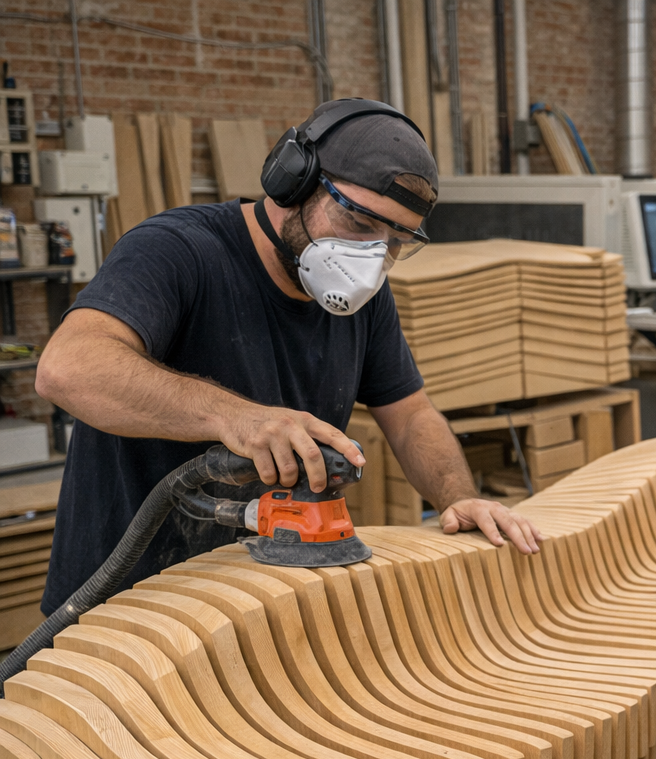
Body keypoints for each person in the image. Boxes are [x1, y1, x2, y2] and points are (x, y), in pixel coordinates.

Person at [35, 98, 541, 615]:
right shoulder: (177, 249)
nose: (371, 259)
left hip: (256, 601)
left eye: (395, 242)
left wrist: (458, 497)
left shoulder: (363, 299)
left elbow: (410, 416)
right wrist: (236, 417)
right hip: (123, 604)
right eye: (359, 223)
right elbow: (68, 368)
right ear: (294, 182)